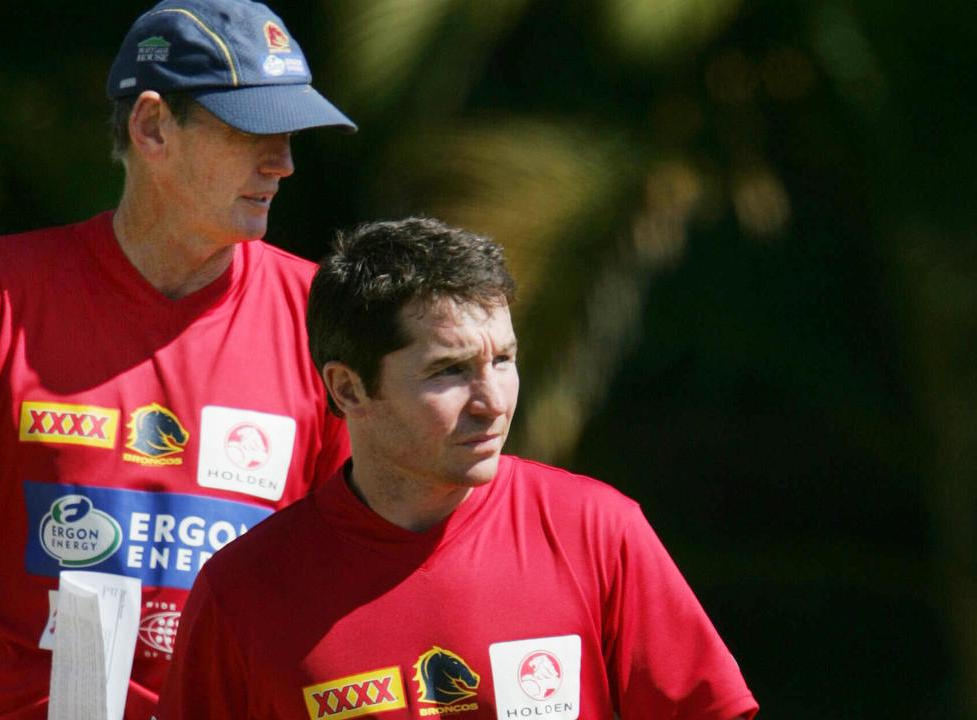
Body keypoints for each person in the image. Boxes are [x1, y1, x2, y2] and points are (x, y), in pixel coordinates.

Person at [0, 1, 356, 717]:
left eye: (289, 135)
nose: (284, 163)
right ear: (153, 127)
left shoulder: (321, 320)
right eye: (255, 132)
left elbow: (352, 592)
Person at [159, 217, 759, 720]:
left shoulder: (598, 532)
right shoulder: (242, 592)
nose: (493, 400)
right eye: (449, 371)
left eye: (503, 359)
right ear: (348, 390)